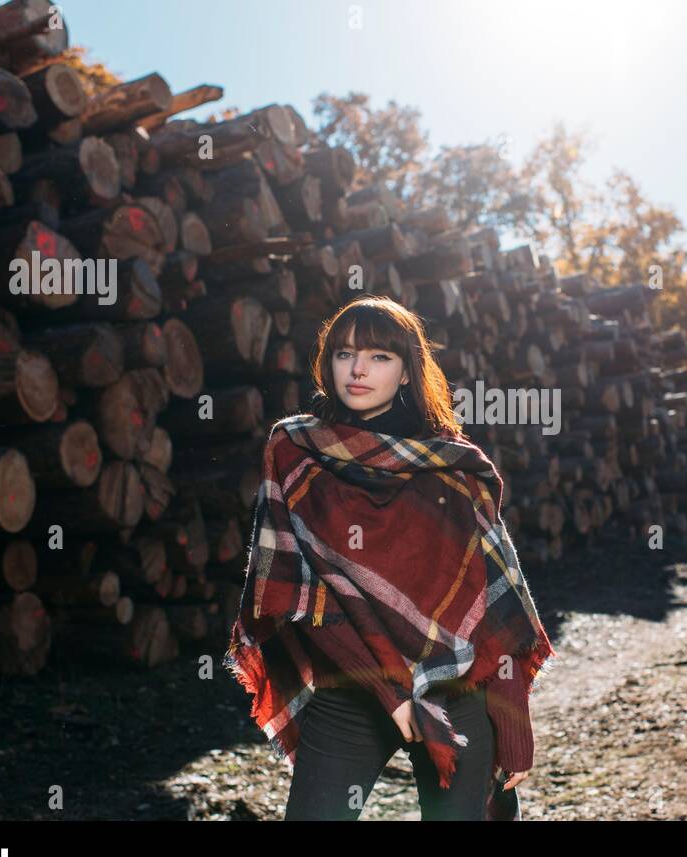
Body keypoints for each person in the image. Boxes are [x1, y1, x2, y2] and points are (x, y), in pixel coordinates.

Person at [225, 295, 556, 821]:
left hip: (458, 685)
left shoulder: (452, 467)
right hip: (351, 687)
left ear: (406, 372)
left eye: (379, 357)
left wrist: (514, 724)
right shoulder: (294, 450)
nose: (357, 369)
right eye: (344, 354)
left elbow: (496, 604)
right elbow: (294, 594)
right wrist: (390, 692)